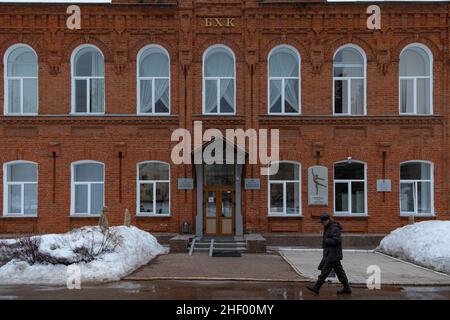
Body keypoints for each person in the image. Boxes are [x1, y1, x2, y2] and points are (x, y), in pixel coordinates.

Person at [306, 213, 352, 295]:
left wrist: (326, 240)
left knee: (325, 271)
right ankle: (347, 287)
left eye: (322, 222)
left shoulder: (334, 228)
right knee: (339, 271)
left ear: (327, 220)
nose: (322, 223)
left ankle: (316, 287)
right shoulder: (328, 227)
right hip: (331, 253)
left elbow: (337, 240)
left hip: (333, 253)